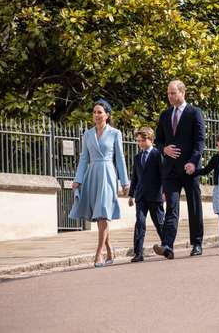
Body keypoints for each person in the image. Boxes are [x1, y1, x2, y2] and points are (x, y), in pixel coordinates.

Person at [69, 100, 129, 267]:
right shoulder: (87, 134)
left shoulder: (115, 133)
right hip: (92, 175)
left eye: (99, 112)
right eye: (94, 112)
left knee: (103, 212)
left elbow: (120, 158)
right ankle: (109, 249)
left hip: (108, 174)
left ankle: (98, 254)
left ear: (107, 115)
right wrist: (77, 179)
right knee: (100, 215)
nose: (96, 115)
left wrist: (125, 182)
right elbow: (83, 159)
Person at [154, 80, 205, 260]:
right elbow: (158, 140)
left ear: (182, 93)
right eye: (168, 93)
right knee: (172, 207)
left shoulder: (194, 113)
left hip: (189, 169)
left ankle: (197, 243)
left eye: (173, 93)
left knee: (194, 206)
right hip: (171, 171)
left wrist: (193, 162)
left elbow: (200, 142)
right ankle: (168, 245)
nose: (170, 96)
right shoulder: (165, 115)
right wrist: (163, 149)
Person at [128, 127, 165, 263]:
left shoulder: (157, 154)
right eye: (138, 141)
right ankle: (138, 253)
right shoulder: (137, 157)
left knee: (159, 223)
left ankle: (167, 246)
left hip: (155, 196)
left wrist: (164, 192)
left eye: (143, 141)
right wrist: (131, 195)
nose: (140, 144)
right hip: (141, 196)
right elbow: (134, 178)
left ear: (151, 140)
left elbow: (163, 175)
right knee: (140, 223)